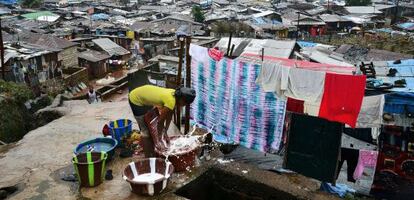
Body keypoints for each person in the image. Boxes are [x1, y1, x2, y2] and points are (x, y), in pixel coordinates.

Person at [129, 85, 196, 157]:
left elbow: (169, 115)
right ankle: (148, 157)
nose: (184, 105)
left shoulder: (174, 94)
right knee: (146, 132)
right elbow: (160, 121)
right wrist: (160, 138)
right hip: (135, 99)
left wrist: (165, 132)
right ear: (182, 100)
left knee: (149, 125)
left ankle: (148, 147)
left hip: (143, 95)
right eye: (185, 104)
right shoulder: (171, 101)